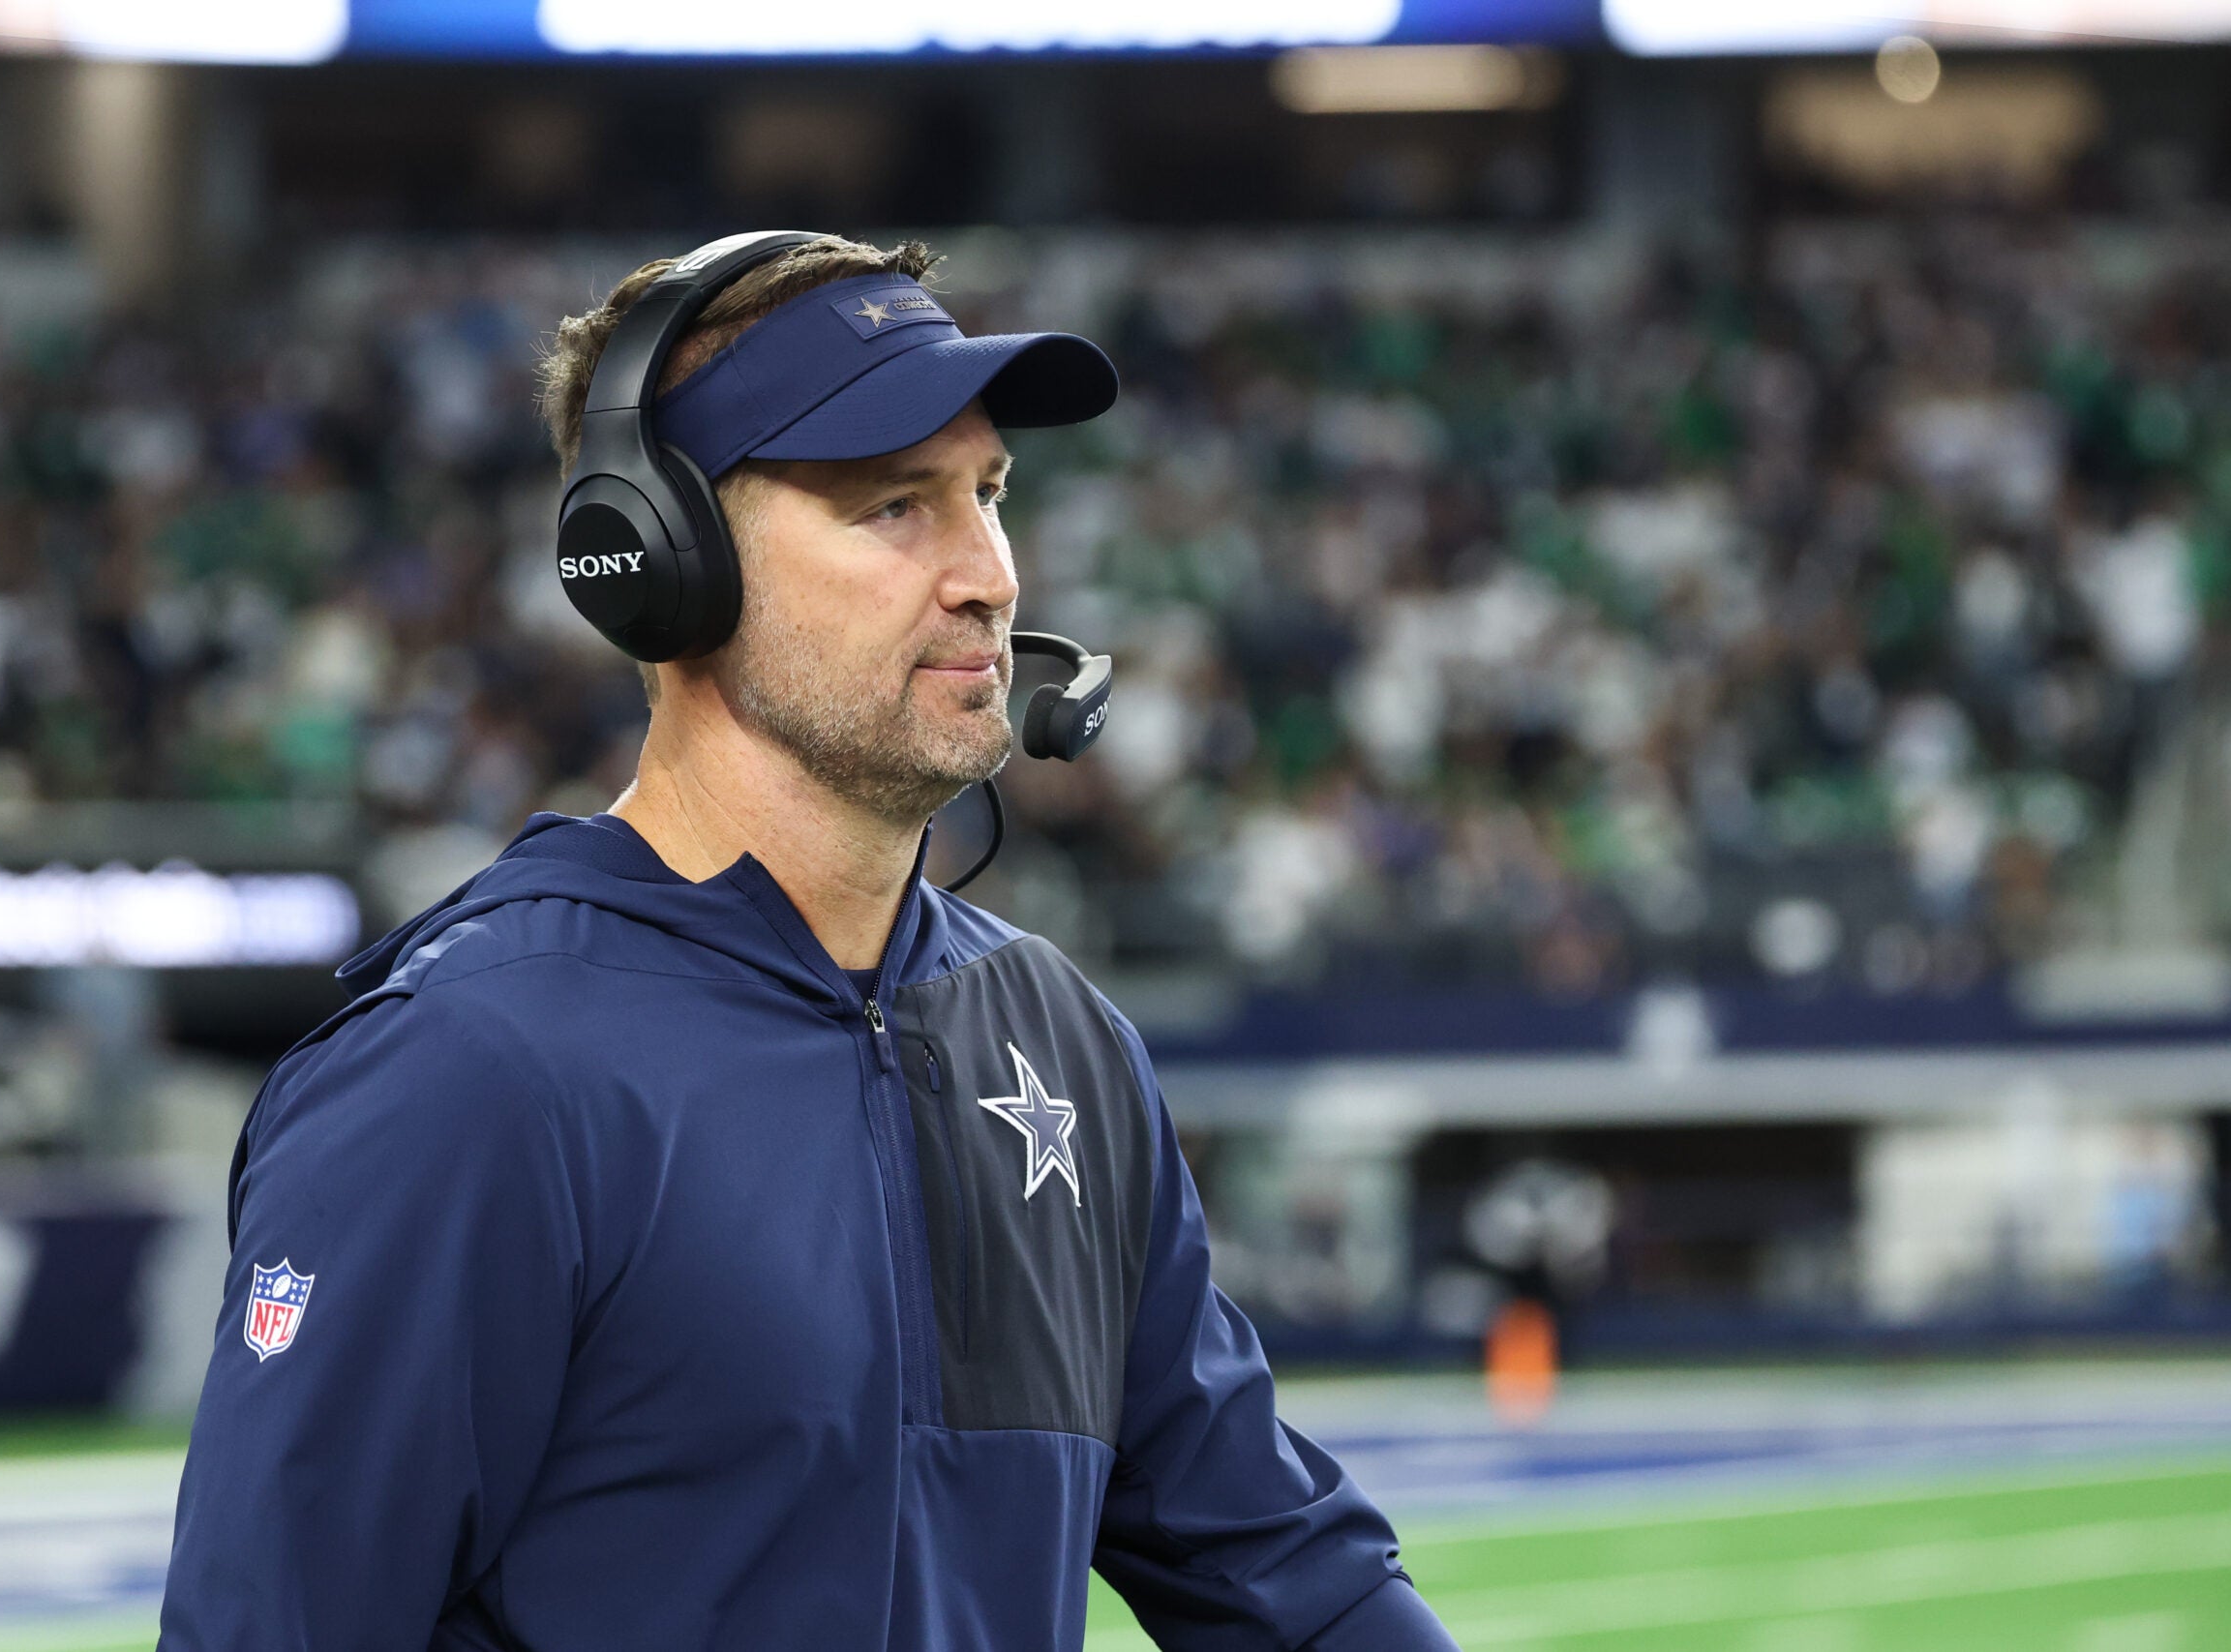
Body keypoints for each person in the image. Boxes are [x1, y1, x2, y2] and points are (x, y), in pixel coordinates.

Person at [161, 232, 1458, 1651]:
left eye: (989, 494)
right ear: (658, 561)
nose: (987, 576)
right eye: (894, 507)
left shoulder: (1059, 1044)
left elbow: (1288, 1578)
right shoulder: (471, 1070)